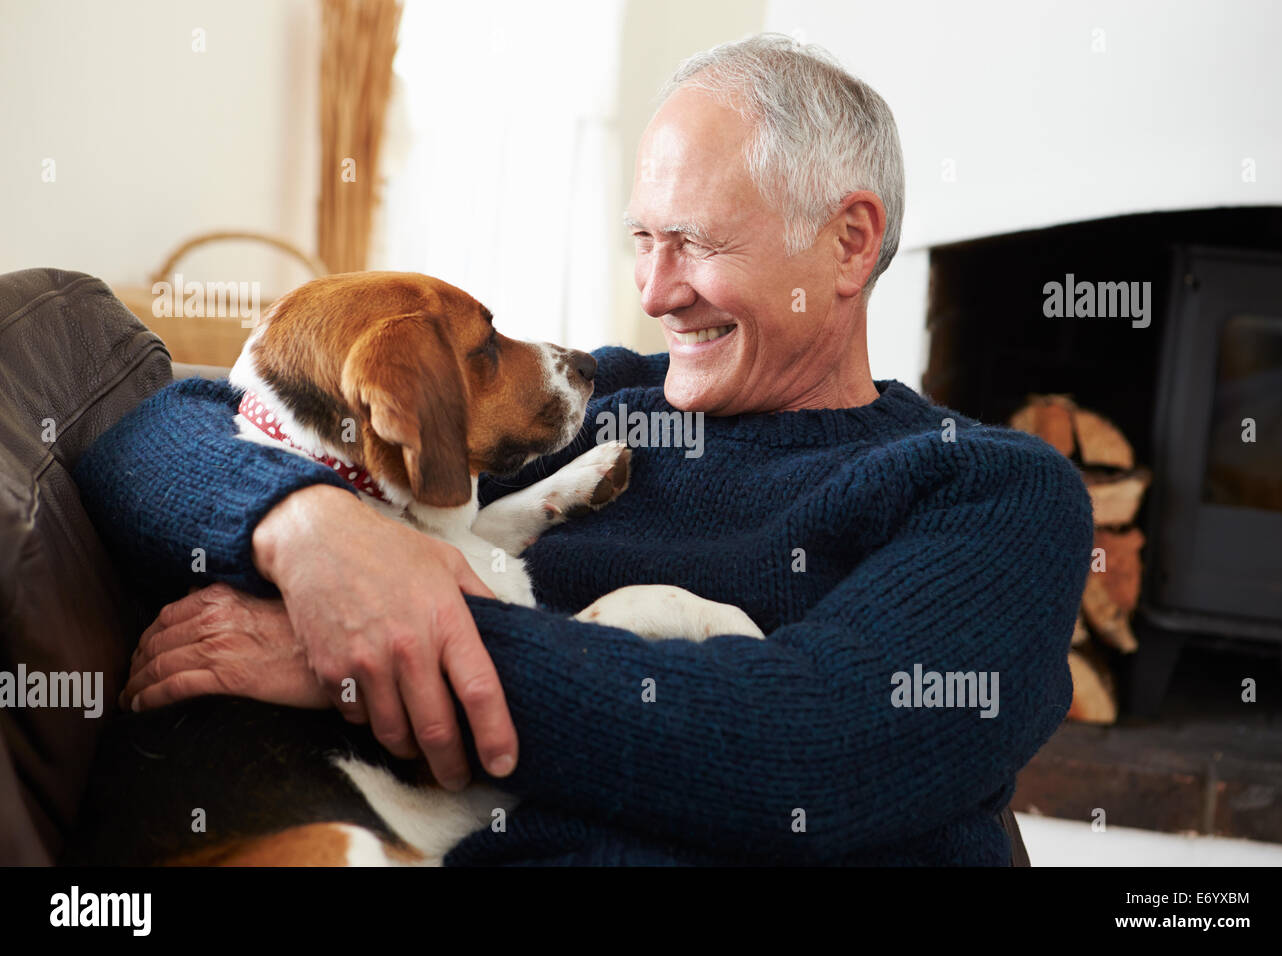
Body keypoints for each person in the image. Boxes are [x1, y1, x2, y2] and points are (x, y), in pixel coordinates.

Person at [74, 34, 1091, 865]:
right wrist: (312, 532)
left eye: (694, 240)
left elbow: (807, 753)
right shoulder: (606, 402)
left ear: (849, 242)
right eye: (640, 239)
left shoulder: (993, 491)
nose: (654, 290)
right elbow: (145, 437)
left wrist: (373, 648)